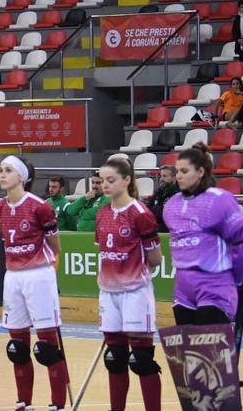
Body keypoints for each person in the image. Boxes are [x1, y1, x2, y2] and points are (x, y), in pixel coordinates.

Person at [0, 156, 69, 411]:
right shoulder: (0, 208)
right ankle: (24, 403)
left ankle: (57, 405)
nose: (2, 175)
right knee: (17, 347)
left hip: (38, 274)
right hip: (12, 276)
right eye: (1, 170)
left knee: (48, 346)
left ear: (22, 177)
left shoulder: (40, 207)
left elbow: (55, 246)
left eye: (8, 170)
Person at [95, 157, 163, 411]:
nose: (105, 185)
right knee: (115, 358)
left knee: (142, 360)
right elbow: (102, 253)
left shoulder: (140, 214)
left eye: (111, 180)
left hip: (135, 293)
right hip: (108, 294)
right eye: (102, 181)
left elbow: (155, 257)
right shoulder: (102, 213)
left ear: (127, 180)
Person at [166, 141, 243, 329]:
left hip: (214, 288)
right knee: (188, 356)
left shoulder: (220, 200)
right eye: (177, 171)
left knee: (211, 356)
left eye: (184, 171)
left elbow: (242, 247)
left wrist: (237, 283)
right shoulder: (172, 204)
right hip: (183, 291)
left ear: (201, 172)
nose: (178, 176)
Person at [146, 166, 179, 232]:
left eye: (164, 176)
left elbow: (167, 214)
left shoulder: (178, 193)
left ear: (174, 178)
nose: (161, 179)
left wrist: (155, 209)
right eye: (161, 176)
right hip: (156, 226)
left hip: (169, 229)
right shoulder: (159, 191)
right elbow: (147, 209)